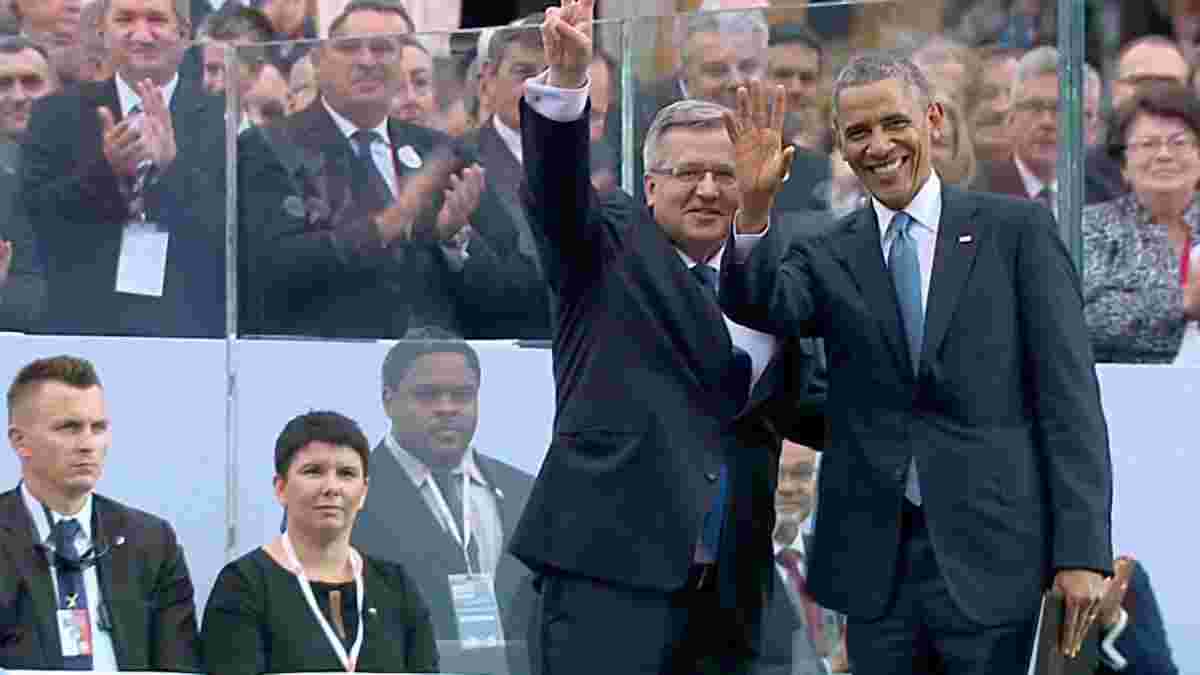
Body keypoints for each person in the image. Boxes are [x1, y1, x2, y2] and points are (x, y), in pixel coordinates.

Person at [720, 52, 1113, 673]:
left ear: (932, 119)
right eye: (858, 132)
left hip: (995, 560)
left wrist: (1083, 552)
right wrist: (753, 208)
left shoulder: (1016, 232)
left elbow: (1070, 403)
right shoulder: (824, 249)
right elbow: (759, 304)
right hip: (875, 569)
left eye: (894, 123)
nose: (879, 146)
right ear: (840, 144)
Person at [510, 3, 816, 673]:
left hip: (731, 595)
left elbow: (806, 403)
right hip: (609, 583)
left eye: (726, 174)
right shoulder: (607, 246)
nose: (707, 189)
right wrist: (567, 83)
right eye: (687, 173)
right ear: (649, 187)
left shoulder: (776, 265)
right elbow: (556, 192)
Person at [238, 0, 547, 341]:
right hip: (323, 356)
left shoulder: (442, 152)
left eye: (383, 49)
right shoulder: (269, 146)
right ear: (320, 60)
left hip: (435, 362)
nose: (367, 61)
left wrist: (455, 239)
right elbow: (273, 268)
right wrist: (387, 225)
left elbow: (517, 289)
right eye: (350, 47)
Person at [20, 0, 226, 338]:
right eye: (125, 19)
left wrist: (172, 168)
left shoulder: (222, 116)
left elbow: (230, 230)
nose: (141, 34)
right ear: (103, 31)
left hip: (190, 323)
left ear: (184, 33)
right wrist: (107, 171)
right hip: (84, 319)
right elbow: (37, 218)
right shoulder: (56, 113)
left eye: (156, 19)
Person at [0, 355, 201, 670]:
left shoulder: (151, 542)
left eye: (98, 428)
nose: (87, 444)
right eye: (69, 428)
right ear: (20, 441)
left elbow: (179, 666)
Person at [202, 411, 439, 675]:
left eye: (346, 473)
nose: (331, 487)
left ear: (363, 492)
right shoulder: (243, 586)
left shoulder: (396, 587)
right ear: (280, 488)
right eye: (313, 471)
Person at [351, 329, 535, 663]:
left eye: (462, 395)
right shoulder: (345, 498)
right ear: (388, 400)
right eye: (428, 395)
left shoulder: (523, 491)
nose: (447, 408)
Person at [1081, 82, 1200, 363]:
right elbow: (1082, 316)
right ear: (1123, 164)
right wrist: (1181, 303)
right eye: (1148, 144)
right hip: (1121, 383)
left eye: (1179, 142)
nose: (1164, 155)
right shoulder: (1092, 227)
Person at [975, 46, 1109, 212]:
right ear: (1010, 120)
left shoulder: (1108, 198)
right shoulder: (975, 195)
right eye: (1034, 107)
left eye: (1060, 109)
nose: (1046, 122)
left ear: (1091, 128)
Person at [759, 441, 848, 675]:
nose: (789, 487)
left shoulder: (836, 556)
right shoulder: (735, 563)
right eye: (779, 473)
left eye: (802, 473)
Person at [0, 36, 55, 330]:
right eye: (3, 84)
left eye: (31, 83)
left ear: (55, 90)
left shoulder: (94, 162)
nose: (18, 96)